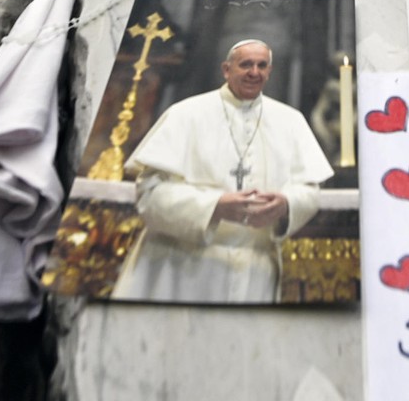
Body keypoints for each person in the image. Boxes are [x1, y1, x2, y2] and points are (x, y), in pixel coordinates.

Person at [113, 39, 333, 304]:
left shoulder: (291, 120)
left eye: (262, 65)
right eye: (246, 65)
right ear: (226, 69)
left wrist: (286, 204)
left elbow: (309, 190)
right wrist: (214, 206)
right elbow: (150, 195)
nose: (255, 72)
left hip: (255, 268)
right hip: (178, 266)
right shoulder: (186, 114)